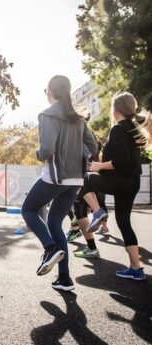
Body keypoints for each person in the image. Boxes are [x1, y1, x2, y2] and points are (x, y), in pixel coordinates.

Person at [21, 75, 97, 292]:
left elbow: (46, 151)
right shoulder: (79, 118)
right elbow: (92, 147)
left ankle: (50, 247)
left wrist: (37, 153)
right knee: (55, 223)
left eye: (46, 90)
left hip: (55, 177)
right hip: (76, 180)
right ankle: (64, 279)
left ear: (51, 92)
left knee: (28, 210)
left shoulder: (47, 115)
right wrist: (79, 160)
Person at [80, 92, 152, 280]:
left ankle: (97, 212)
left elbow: (120, 161)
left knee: (82, 179)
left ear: (116, 109)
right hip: (132, 182)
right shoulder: (134, 128)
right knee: (124, 222)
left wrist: (98, 166)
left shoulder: (119, 129)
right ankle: (136, 269)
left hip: (120, 181)